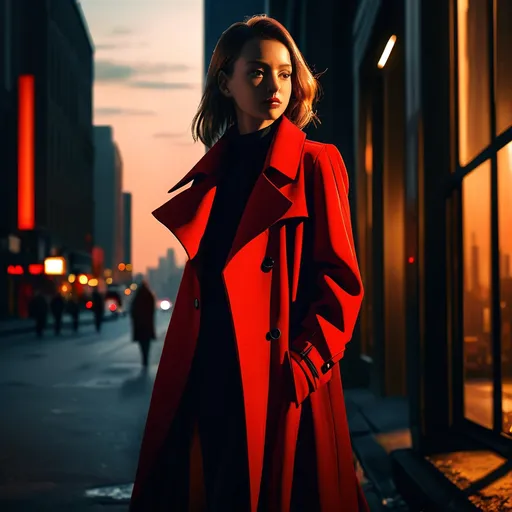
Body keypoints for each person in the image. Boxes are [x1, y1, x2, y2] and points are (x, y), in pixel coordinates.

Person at [130, 15, 368, 512]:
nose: (274, 85)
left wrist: (302, 368)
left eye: (284, 73)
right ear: (226, 81)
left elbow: (342, 282)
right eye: (258, 72)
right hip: (212, 378)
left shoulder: (315, 162)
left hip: (281, 386)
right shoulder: (214, 176)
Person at [130, 281, 156, 368]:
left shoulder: (137, 297)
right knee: (147, 343)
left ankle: (144, 359)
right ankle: (146, 358)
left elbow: (133, 311)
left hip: (139, 325)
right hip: (147, 324)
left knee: (142, 343)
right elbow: (152, 310)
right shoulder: (149, 296)